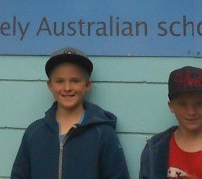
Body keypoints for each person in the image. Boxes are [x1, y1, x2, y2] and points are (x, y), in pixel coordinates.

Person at [11, 47, 130, 179]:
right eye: (60, 81)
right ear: (50, 85)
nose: (67, 88)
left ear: (87, 85)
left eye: (75, 81)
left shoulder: (103, 134)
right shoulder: (34, 133)